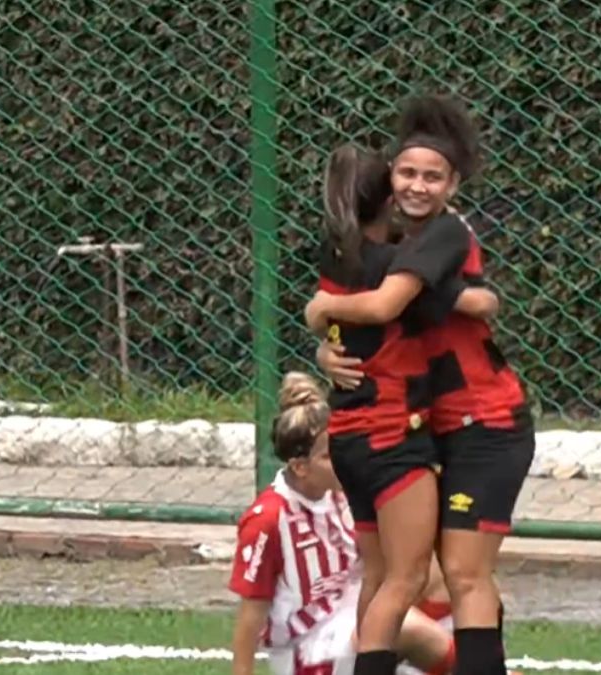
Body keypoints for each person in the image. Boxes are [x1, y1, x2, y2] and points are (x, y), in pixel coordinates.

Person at [306, 94, 534, 675]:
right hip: (425, 427)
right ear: (388, 181)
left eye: (433, 177)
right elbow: (378, 319)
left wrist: (323, 306)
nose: (417, 185)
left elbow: (395, 305)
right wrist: (322, 342)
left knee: (460, 572)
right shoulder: (386, 248)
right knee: (417, 575)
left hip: (484, 422)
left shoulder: (443, 237)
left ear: (453, 185)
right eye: (407, 173)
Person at [228, 372, 458, 675]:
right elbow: (250, 617)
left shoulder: (345, 492)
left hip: (350, 615)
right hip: (309, 648)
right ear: (301, 467)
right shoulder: (270, 518)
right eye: (329, 455)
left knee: (440, 576)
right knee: (405, 626)